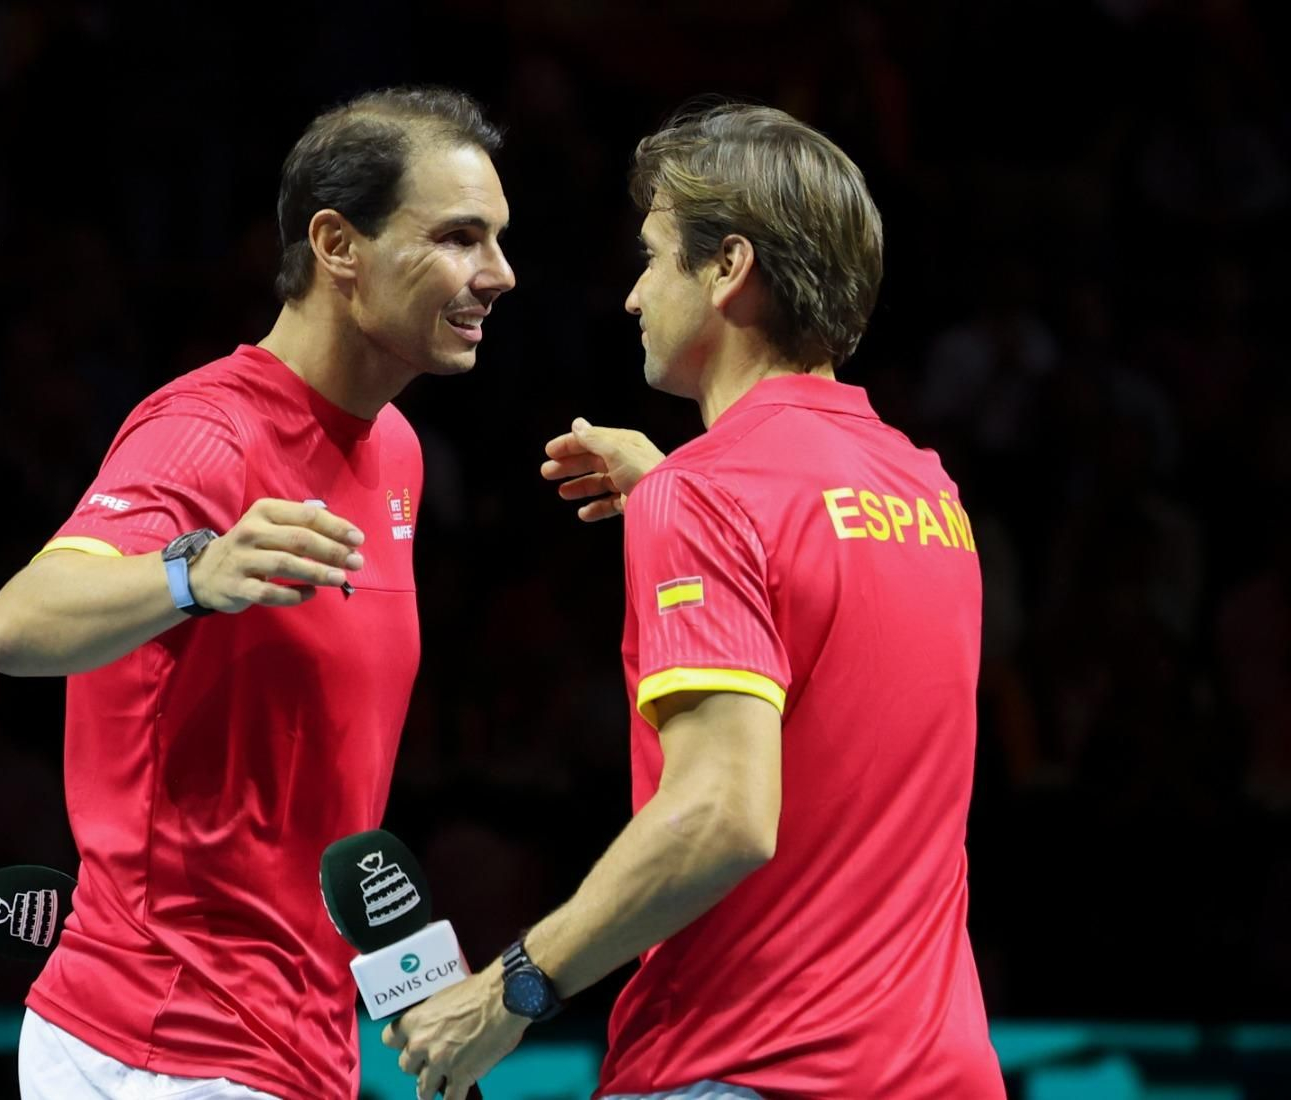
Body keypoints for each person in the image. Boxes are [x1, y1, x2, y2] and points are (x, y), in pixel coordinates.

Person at [383, 102, 1004, 1100]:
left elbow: (723, 814)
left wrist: (510, 986)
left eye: (655, 256)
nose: (631, 295)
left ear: (727, 269)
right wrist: (677, 488)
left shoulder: (711, 495)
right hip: (936, 1071)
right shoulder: (925, 491)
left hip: (746, 1064)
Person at [0, 86, 514, 1100]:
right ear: (336, 244)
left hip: (295, 1043)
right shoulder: (206, 433)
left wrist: (420, 994)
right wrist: (195, 571)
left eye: (495, 239)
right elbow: (14, 626)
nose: (498, 273)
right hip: (161, 1042)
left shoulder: (395, 449)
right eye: (457, 237)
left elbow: (329, 804)